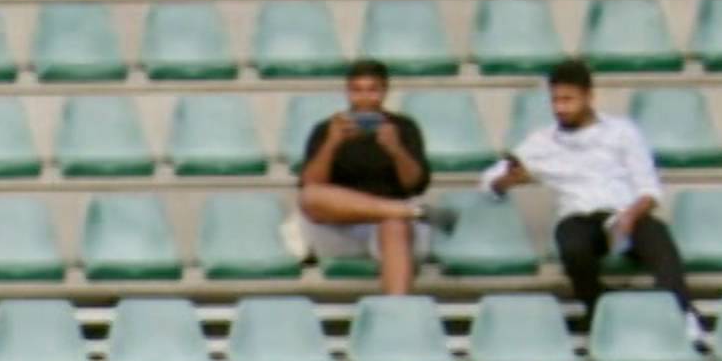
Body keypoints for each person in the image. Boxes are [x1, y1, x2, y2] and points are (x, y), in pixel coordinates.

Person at [485, 58, 697, 331]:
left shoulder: (622, 131)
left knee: (658, 236)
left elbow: (649, 189)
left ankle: (682, 316)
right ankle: (600, 312)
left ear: (589, 97)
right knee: (572, 245)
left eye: (568, 100)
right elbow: (491, 180)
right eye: (555, 100)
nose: (560, 108)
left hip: (624, 213)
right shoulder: (541, 141)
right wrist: (507, 181)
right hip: (579, 216)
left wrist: (630, 216)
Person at [291, 58, 447, 299]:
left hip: (392, 231)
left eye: (372, 90)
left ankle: (397, 315)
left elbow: (415, 184)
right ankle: (411, 211)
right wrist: (333, 143)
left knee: (394, 225)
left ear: (384, 92)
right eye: (356, 90)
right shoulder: (327, 128)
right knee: (310, 195)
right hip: (339, 228)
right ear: (347, 92)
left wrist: (396, 149)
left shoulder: (403, 127)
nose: (364, 98)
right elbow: (311, 186)